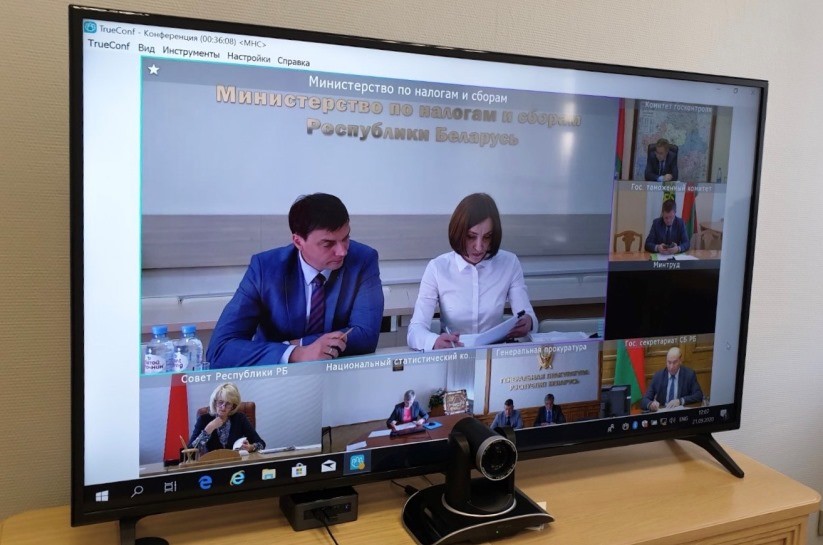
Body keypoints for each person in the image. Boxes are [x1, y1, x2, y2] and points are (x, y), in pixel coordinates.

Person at [207, 193, 384, 368]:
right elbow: (220, 349)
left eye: (345, 239)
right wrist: (296, 353)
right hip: (275, 377)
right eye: (328, 244)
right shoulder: (265, 268)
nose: (342, 251)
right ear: (298, 242)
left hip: (338, 375)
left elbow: (366, 335)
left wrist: (298, 343)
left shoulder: (363, 259)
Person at [407, 193, 537, 351]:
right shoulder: (437, 268)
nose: (479, 246)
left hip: (495, 356)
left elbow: (528, 316)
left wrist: (529, 323)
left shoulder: (509, 263)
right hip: (454, 355)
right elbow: (415, 331)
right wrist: (434, 341)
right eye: (471, 236)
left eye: (487, 237)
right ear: (458, 233)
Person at [188, 383, 265, 454]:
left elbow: (261, 444)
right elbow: (190, 453)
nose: (223, 407)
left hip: (236, 462)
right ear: (215, 403)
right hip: (213, 462)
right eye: (220, 402)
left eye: (228, 404)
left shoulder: (240, 418)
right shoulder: (204, 420)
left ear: (233, 406)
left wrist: (250, 447)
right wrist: (208, 429)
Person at [641, 347, 704, 411]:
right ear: (666, 361)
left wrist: (680, 401)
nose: (671, 367)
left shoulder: (689, 375)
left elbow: (699, 395)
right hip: (663, 412)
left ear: (680, 361)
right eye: (669, 362)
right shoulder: (658, 376)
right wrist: (650, 404)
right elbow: (644, 400)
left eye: (674, 362)